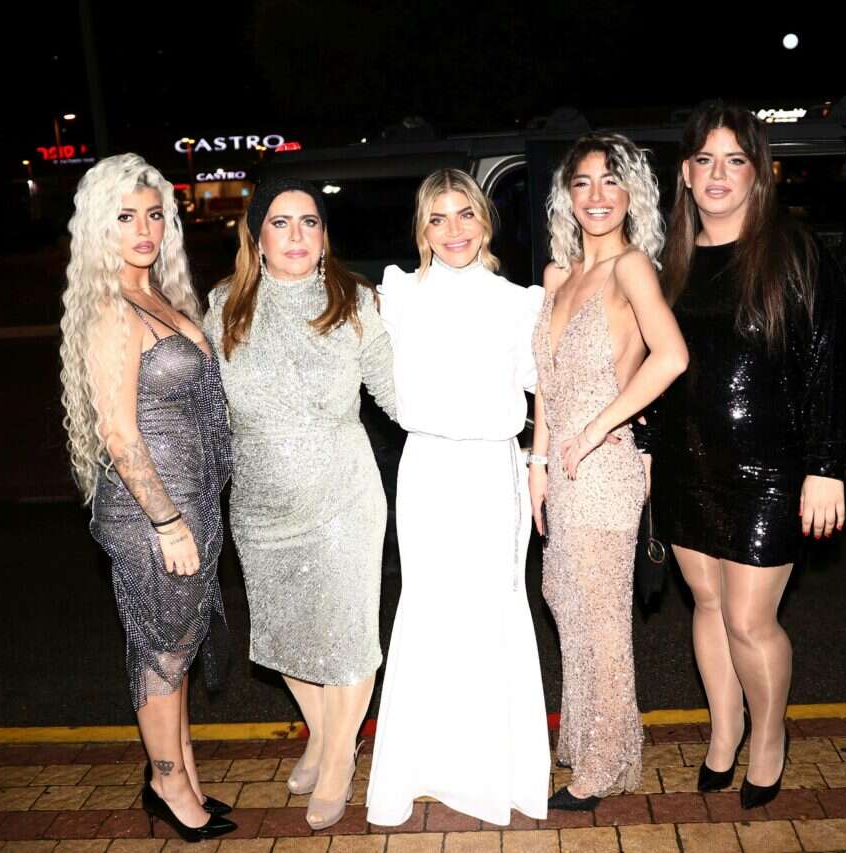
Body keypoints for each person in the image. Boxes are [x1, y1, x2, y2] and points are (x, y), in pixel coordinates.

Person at [652, 102, 846, 809]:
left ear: (758, 173)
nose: (718, 174)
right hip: (687, 463)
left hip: (770, 469)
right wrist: (647, 449)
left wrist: (827, 464)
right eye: (704, 160)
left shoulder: (794, 251)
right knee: (708, 605)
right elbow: (651, 365)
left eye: (735, 160)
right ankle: (726, 730)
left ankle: (769, 737)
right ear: (685, 173)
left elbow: (831, 359)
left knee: (748, 618)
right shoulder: (671, 260)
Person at [203, 178, 397, 831]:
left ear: (324, 234)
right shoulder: (224, 306)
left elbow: (398, 393)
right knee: (285, 636)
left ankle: (339, 756)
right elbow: (204, 408)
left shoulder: (355, 301)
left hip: (343, 494)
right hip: (260, 506)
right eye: (280, 222)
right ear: (256, 235)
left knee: (348, 635)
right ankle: (325, 731)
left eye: (308, 222)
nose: (296, 235)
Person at [57, 153, 237, 843]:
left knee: (178, 643)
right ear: (99, 227)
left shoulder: (159, 295)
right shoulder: (113, 309)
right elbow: (120, 432)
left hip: (189, 502)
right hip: (151, 512)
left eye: (154, 215)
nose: (144, 230)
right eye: (126, 217)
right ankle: (167, 783)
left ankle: (181, 772)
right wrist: (167, 521)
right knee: (162, 650)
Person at [366, 169, 549, 827]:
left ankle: (493, 771)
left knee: (493, 609)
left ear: (485, 220)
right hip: (428, 470)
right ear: (422, 229)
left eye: (465, 213)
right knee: (430, 607)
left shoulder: (518, 302)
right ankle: (423, 765)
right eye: (437, 218)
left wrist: (541, 463)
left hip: (493, 470)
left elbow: (546, 390)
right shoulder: (398, 294)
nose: (453, 230)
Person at [531, 133, 689, 809]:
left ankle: (603, 762)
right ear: (566, 196)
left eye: (610, 181)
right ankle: (588, 739)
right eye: (583, 182)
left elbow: (672, 356)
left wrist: (599, 428)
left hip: (605, 469)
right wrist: (538, 461)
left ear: (632, 195)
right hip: (562, 472)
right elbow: (546, 381)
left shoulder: (632, 270)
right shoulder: (557, 276)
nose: (596, 196)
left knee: (600, 618)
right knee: (565, 602)